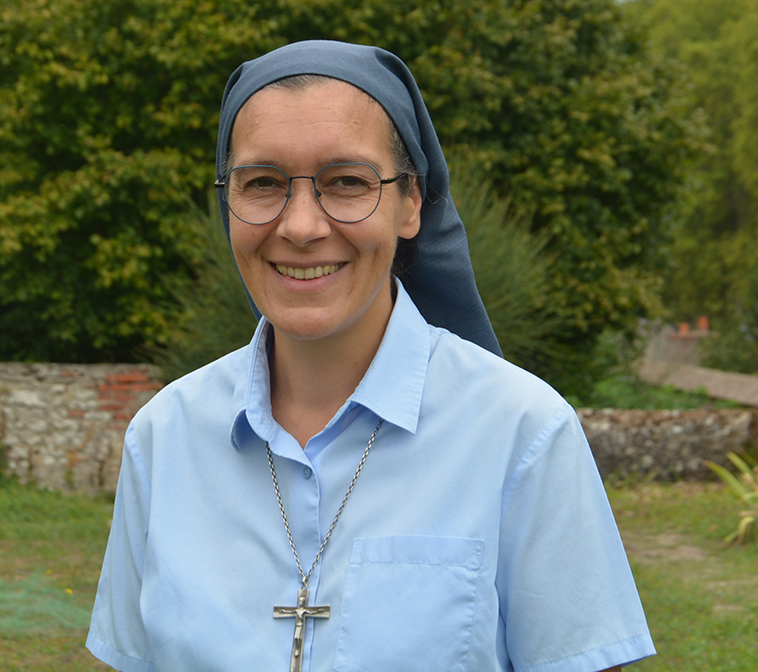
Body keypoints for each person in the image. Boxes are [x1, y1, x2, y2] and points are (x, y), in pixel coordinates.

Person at [86, 40, 655, 672]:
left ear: (412, 203)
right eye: (264, 183)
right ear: (229, 202)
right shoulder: (164, 438)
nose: (301, 226)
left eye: (348, 182)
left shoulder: (521, 433)